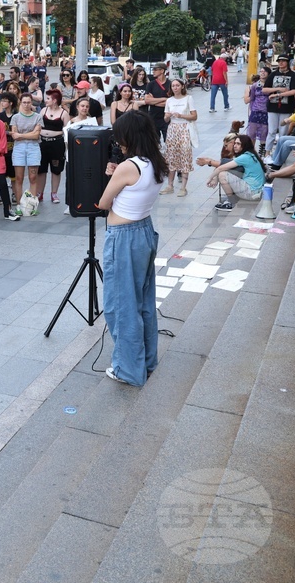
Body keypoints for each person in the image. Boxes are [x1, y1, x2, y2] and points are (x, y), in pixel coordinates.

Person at [98, 111, 166, 387]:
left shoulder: (128, 166)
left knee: (120, 306)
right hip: (144, 231)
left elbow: (103, 203)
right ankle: (146, 361)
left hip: (123, 238)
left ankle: (128, 369)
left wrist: (113, 175)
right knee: (143, 302)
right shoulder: (157, 162)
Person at [207, 135, 267, 211]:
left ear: (244, 145)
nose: (235, 146)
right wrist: (215, 177)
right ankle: (232, 198)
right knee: (225, 172)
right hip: (256, 191)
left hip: (252, 193)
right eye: (235, 143)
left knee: (222, 175)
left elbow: (221, 168)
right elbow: (225, 167)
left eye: (238, 144)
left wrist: (210, 178)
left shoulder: (245, 157)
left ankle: (231, 203)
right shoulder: (250, 154)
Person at [160, 78, 197, 196]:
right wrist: (167, 116)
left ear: (182, 86)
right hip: (172, 129)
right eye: (173, 86)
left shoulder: (188, 99)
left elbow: (194, 116)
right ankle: (170, 185)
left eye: (177, 85)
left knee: (185, 155)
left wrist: (181, 115)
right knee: (171, 157)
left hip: (184, 129)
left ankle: (183, 187)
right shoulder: (169, 101)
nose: (175, 88)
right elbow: (165, 119)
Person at [10, 92, 41, 211]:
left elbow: (36, 135)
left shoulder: (37, 116)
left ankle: (32, 206)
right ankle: (19, 205)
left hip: (33, 147)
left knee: (33, 177)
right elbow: (14, 136)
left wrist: (21, 135)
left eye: (29, 102)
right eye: (24, 102)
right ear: (20, 103)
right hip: (19, 148)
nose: (27, 105)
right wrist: (30, 134)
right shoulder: (15, 117)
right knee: (19, 178)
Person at [266, 55, 295, 146]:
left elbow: (294, 91)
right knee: (271, 131)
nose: (281, 63)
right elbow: (264, 89)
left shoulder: (293, 75)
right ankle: (267, 153)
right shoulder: (273, 74)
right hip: (272, 107)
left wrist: (279, 94)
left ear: (287, 63)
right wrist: (276, 90)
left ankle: (279, 153)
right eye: (279, 61)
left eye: (283, 61)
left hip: (287, 107)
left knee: (283, 132)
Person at [244, 69, 271, 153]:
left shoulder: (271, 85)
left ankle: (263, 151)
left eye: (264, 71)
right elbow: (251, 99)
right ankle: (251, 151)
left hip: (266, 112)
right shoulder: (255, 86)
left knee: (264, 132)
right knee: (252, 132)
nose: (262, 72)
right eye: (261, 71)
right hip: (255, 112)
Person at [144, 63, 172, 142]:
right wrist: (164, 99)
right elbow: (147, 100)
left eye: (155, 70)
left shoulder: (170, 84)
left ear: (162, 71)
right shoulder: (151, 84)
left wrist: (154, 101)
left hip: (166, 117)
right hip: (153, 117)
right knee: (154, 142)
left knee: (168, 141)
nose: (153, 71)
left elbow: (170, 102)